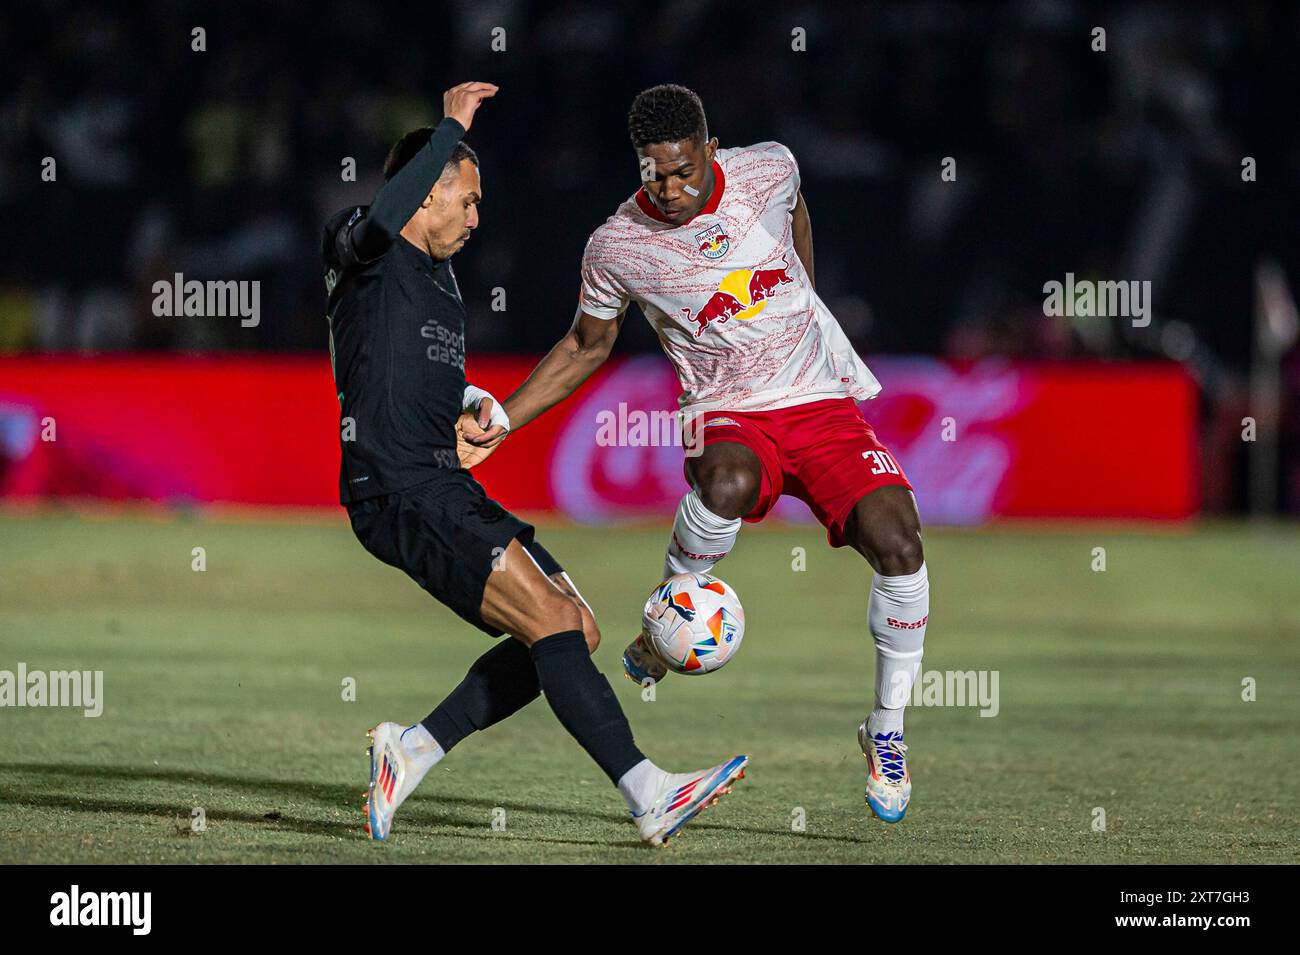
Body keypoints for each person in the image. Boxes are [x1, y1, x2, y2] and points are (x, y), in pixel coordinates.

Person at [471, 84, 928, 823]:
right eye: (655, 173)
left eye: (684, 169)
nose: (672, 188)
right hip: (723, 408)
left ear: (711, 150)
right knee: (728, 482)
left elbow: (798, 214)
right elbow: (586, 345)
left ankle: (887, 730)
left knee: (899, 541)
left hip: (817, 398)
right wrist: (504, 419)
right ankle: (668, 619)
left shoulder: (771, 169)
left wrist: (806, 299)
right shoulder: (617, 243)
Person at [322, 82, 746, 846]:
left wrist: (471, 403)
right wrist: (450, 127)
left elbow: (405, 374)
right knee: (549, 618)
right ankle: (648, 791)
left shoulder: (439, 286)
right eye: (467, 198)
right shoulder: (362, 244)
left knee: (571, 629)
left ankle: (412, 748)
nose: (477, 217)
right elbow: (385, 215)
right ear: (425, 193)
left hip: (440, 481)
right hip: (397, 490)